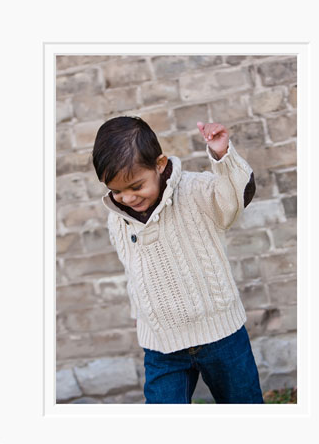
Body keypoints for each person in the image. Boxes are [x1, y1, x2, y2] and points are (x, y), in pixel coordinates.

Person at [92, 116, 263, 404]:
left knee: (244, 406)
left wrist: (223, 156)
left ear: (159, 164)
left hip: (220, 333)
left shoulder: (196, 191)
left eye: (136, 186)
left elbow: (234, 199)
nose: (128, 197)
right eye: (117, 190)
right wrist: (142, 317)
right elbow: (135, 274)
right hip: (162, 347)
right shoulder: (117, 220)